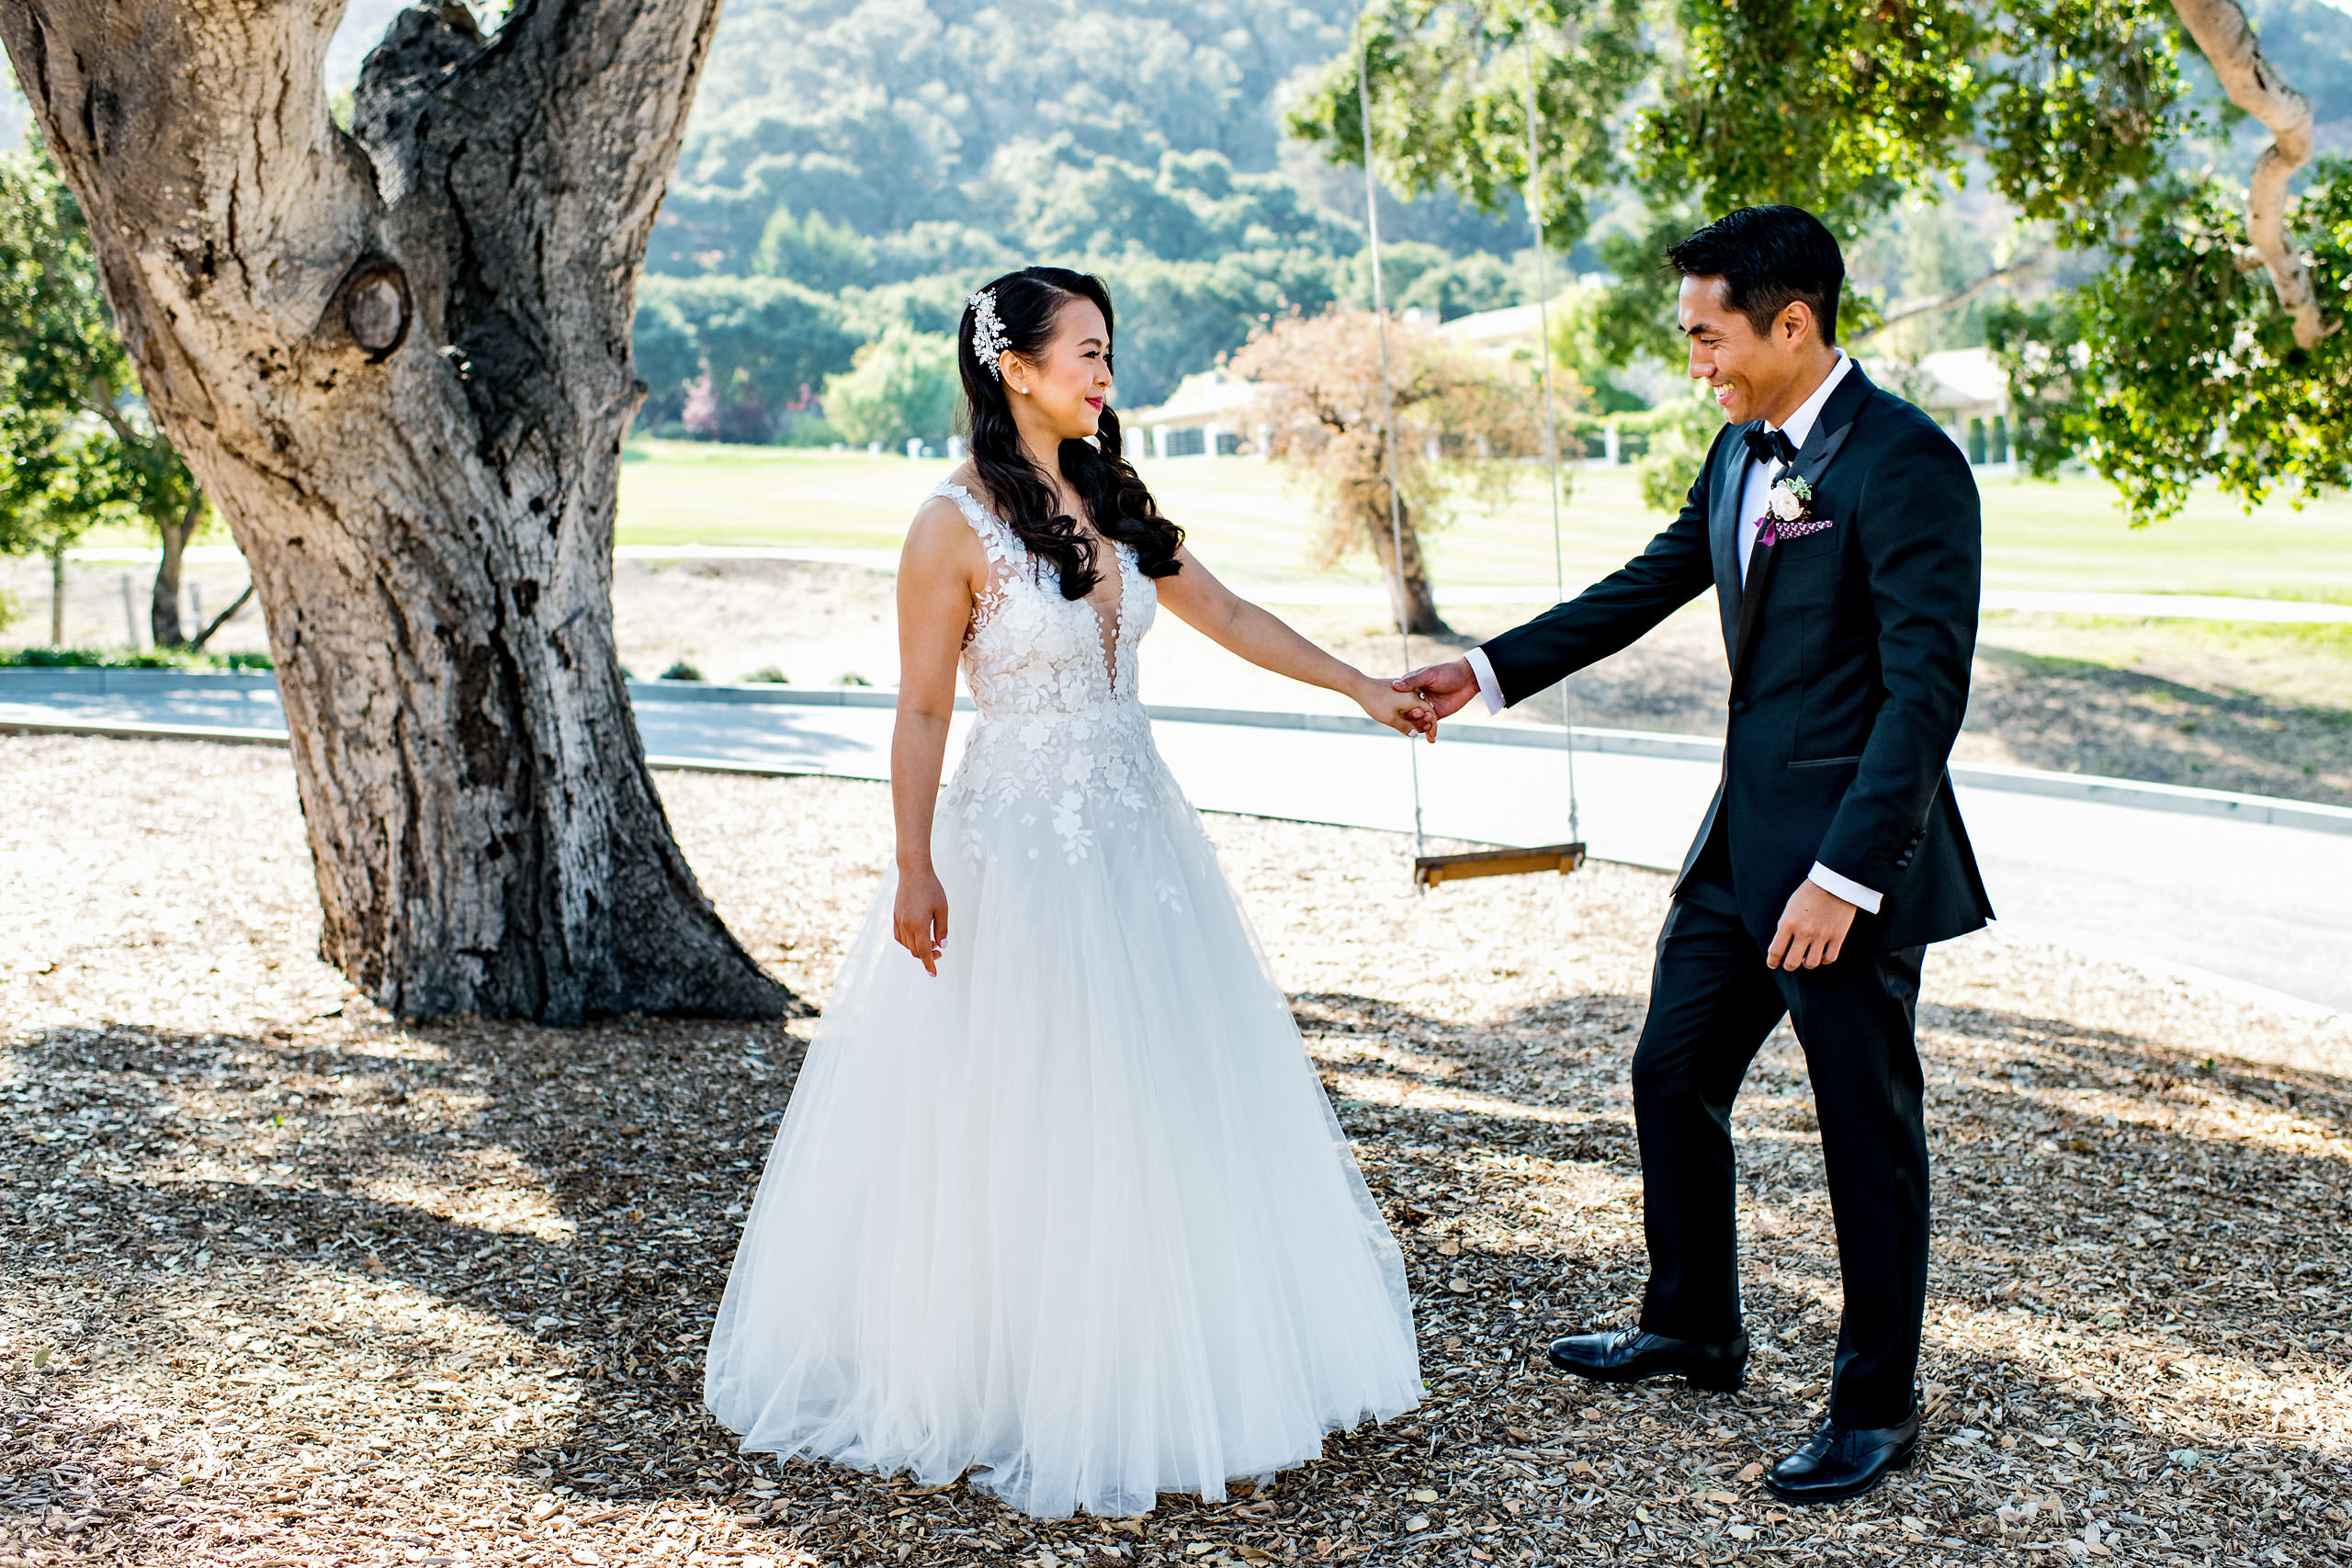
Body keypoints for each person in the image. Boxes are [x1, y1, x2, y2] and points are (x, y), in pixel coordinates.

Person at [703, 265, 1426, 1520]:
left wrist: (1361, 686)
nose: (1104, 374)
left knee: (1162, 1088)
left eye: (1109, 351)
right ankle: (1022, 1381)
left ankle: (1177, 1371)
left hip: (1137, 836)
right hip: (1015, 845)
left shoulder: (1111, 493)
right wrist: (914, 863)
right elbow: (924, 706)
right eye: (1085, 353)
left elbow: (1233, 612)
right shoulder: (950, 525)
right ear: (1014, 369)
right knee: (1029, 1096)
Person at [1397, 205, 1994, 1504]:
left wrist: (1848, 877)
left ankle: (1877, 1403)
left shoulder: (1907, 463)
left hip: (1843, 868)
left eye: (1709, 335)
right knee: (1670, 1074)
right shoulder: (1738, 452)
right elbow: (1645, 582)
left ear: (1794, 323)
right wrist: (1486, 673)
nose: (1696, 362)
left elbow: (1922, 695)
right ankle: (1694, 1323)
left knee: (1863, 1135)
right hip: (1736, 848)